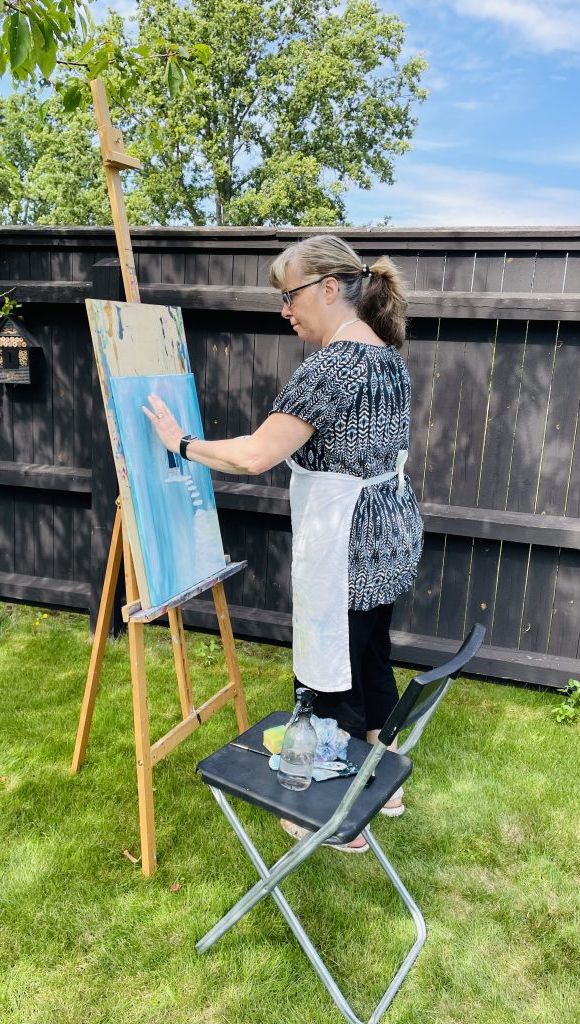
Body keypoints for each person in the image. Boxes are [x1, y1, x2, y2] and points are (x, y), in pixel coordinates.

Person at [143, 234, 424, 849]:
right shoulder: (388, 355)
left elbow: (254, 456)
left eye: (290, 293)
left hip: (345, 545)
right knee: (372, 660)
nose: (285, 308)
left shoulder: (333, 365)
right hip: (387, 537)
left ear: (328, 288)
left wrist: (181, 445)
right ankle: (389, 787)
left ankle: (336, 817)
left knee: (331, 681)